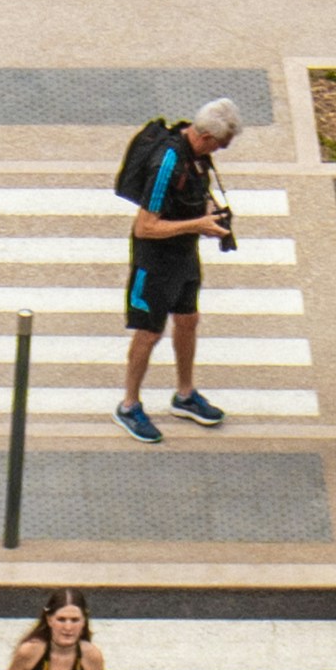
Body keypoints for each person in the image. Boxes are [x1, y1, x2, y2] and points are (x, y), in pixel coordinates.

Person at [115, 95, 240, 436]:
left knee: (188, 319)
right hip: (154, 259)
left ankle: (184, 396)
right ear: (204, 138)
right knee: (149, 332)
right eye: (219, 146)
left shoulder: (196, 154)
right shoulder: (166, 163)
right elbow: (145, 226)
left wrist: (211, 214)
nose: (218, 152)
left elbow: (196, 194)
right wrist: (198, 225)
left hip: (183, 253)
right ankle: (129, 405)